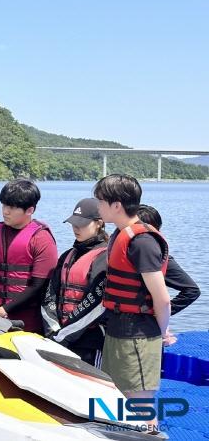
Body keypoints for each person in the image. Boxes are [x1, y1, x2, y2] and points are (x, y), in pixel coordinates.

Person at [94, 174, 171, 436]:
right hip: (118, 328)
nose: (98, 207)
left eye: (101, 201)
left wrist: (160, 334)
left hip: (138, 333)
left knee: (140, 407)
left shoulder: (142, 242)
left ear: (117, 205)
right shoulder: (120, 235)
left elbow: (162, 298)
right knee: (117, 401)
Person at [0, 179, 58, 334]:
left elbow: (38, 285)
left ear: (30, 210)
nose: (5, 211)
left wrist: (5, 310)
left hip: (28, 323)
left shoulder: (41, 239)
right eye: (4, 205)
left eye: (12, 207)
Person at [41, 198, 108, 367]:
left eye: (82, 224)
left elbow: (96, 304)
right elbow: (50, 295)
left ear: (99, 223)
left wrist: (64, 335)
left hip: (89, 341)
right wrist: (54, 331)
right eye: (73, 223)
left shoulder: (105, 257)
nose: (76, 228)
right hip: (59, 337)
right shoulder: (67, 256)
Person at [137, 204, 200, 320]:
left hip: (144, 325)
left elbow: (192, 291)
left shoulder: (160, 258)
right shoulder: (120, 252)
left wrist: (161, 313)